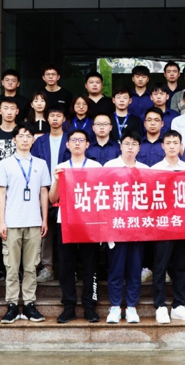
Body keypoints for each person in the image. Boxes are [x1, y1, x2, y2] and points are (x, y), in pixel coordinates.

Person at [0, 123, 51, 324]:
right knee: (11, 267)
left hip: (34, 221)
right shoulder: (5, 164)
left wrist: (44, 219)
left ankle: (29, 304)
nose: (25, 139)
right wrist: (1, 221)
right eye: (21, 135)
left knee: (31, 266)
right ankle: (12, 304)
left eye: (29, 136)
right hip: (11, 222)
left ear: (33, 140)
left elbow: (44, 193)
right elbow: (1, 194)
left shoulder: (41, 164)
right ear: (14, 140)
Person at [49, 129, 103, 324]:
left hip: (90, 222)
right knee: (66, 266)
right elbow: (52, 199)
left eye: (81, 140)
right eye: (74, 140)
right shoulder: (61, 167)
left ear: (88, 144)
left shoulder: (96, 166)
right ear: (68, 144)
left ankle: (90, 306)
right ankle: (69, 306)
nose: (77, 143)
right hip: (66, 222)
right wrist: (56, 181)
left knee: (90, 265)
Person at [150, 130, 185, 324]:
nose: (171, 146)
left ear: (181, 146)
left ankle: (178, 305)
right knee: (160, 266)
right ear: (162, 146)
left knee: (182, 266)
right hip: (162, 226)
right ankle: (160, 306)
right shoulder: (154, 169)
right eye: (168, 143)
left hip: (183, 225)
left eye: (175, 142)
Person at [103, 131, 150, 324]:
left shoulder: (146, 169)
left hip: (137, 228)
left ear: (139, 148)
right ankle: (115, 307)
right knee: (116, 269)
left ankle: (131, 307)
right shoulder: (109, 167)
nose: (130, 147)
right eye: (127, 143)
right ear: (120, 146)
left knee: (134, 269)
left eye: (134, 144)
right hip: (116, 227)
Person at [30, 106, 69, 283]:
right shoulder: (40, 141)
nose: (55, 118)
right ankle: (47, 267)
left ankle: (69, 268)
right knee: (45, 230)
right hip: (44, 188)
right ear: (47, 119)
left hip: (67, 189)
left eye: (58, 115)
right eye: (52, 115)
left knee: (67, 229)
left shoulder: (70, 138)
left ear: (64, 119)